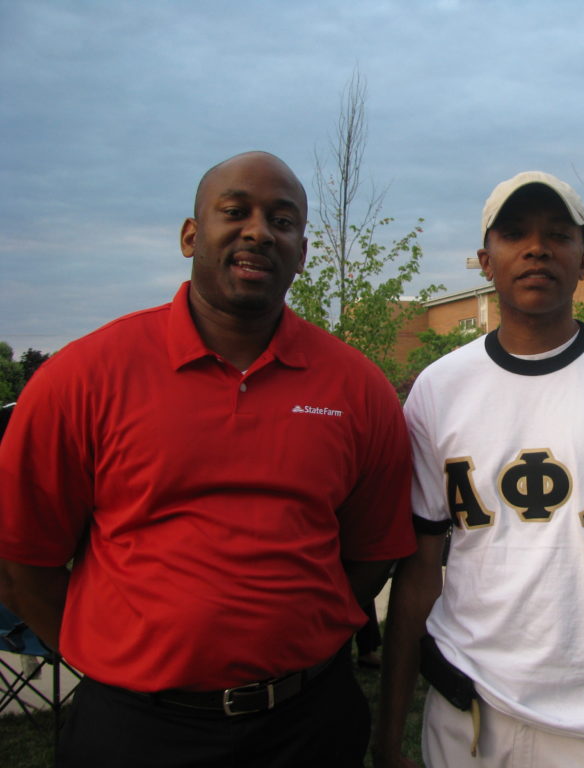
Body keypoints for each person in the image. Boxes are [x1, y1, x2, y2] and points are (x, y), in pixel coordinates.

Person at [0, 151, 416, 768]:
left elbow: (373, 550)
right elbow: (22, 555)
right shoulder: (83, 378)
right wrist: (113, 653)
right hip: (135, 731)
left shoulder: (358, 389)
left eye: (282, 220)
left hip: (307, 725)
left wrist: (295, 631)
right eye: (235, 211)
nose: (258, 231)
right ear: (191, 236)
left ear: (301, 252)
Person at [373, 171, 584, 768]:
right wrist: (387, 733)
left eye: (559, 234)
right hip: (470, 715)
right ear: (485, 259)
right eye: (515, 234)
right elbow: (421, 573)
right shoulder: (439, 389)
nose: (537, 248)